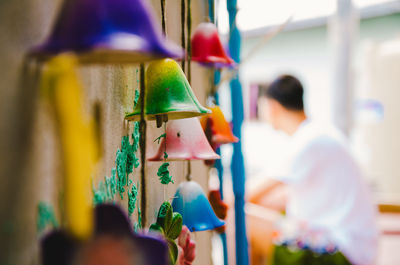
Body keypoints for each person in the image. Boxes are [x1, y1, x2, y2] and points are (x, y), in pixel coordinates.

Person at [247, 75, 378, 265]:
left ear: (272, 106)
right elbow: (278, 199)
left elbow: (246, 194)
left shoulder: (307, 141)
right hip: (353, 248)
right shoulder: (319, 133)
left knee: (240, 219)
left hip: (340, 251)